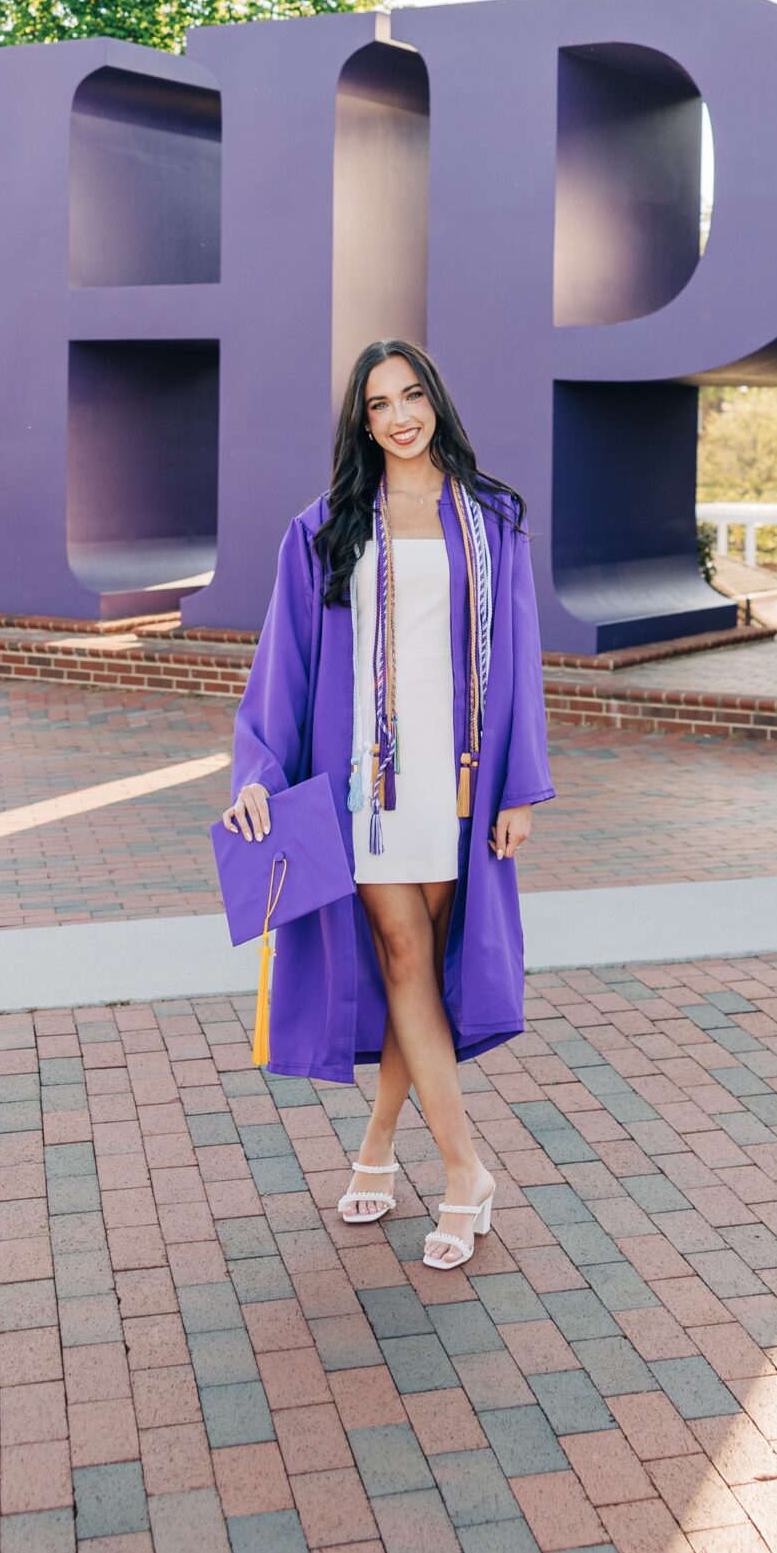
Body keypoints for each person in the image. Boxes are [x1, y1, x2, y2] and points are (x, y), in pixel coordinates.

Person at [222, 338, 554, 1270]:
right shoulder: (326, 524)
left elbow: (521, 662)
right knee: (403, 952)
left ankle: (377, 1144)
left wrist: (520, 786)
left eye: (411, 396)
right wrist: (256, 771)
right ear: (360, 422)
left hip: (458, 782)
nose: (399, 416)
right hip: (363, 784)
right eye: (378, 405)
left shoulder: (491, 520)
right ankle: (464, 1172)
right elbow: (281, 662)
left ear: (435, 401)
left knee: (420, 971)